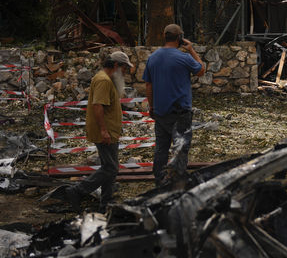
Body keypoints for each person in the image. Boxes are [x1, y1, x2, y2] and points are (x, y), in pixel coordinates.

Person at [52, 51, 133, 210]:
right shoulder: (103, 80)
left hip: (110, 130)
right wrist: (103, 130)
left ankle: (106, 201)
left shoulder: (106, 79)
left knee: (110, 166)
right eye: (124, 68)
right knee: (110, 168)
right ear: (116, 65)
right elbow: (98, 106)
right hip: (105, 131)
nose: (125, 72)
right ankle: (76, 191)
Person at [143, 24, 205, 186]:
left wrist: (152, 107)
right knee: (180, 148)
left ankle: (160, 181)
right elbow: (201, 70)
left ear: (164, 36)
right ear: (179, 38)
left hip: (161, 112)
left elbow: (148, 85)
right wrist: (191, 49)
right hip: (180, 113)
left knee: (161, 149)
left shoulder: (153, 58)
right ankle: (177, 182)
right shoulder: (183, 57)